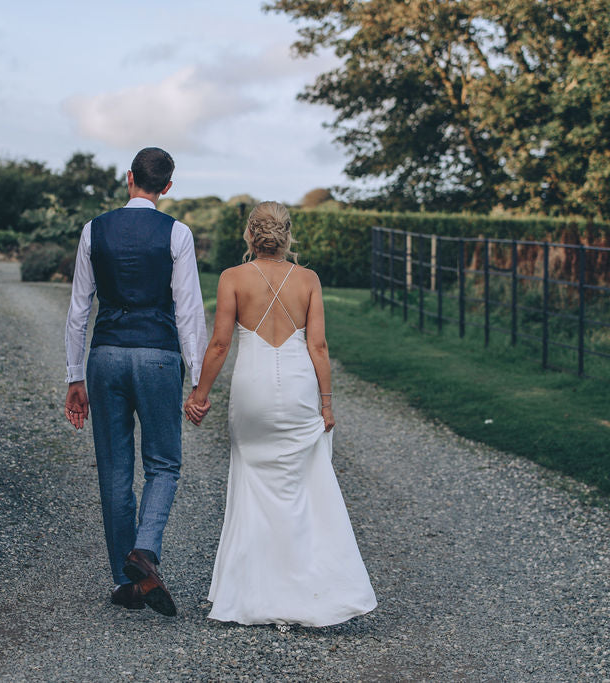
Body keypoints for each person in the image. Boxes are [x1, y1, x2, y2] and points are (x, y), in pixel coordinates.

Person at [184, 201, 377, 628]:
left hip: (252, 389)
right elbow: (319, 348)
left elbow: (219, 345)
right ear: (288, 235)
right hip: (298, 390)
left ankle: (250, 594)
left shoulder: (233, 278)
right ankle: (314, 588)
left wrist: (199, 394)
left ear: (250, 235)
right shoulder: (308, 279)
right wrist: (327, 404)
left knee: (252, 484)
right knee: (304, 488)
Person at [63, 147, 208, 616]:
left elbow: (78, 310)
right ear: (166, 187)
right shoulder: (177, 233)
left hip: (104, 357)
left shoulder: (94, 229)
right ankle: (144, 552)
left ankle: (130, 581)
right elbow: (189, 311)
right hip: (158, 357)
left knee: (114, 470)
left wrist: (74, 375)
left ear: (129, 179)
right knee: (164, 463)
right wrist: (199, 379)